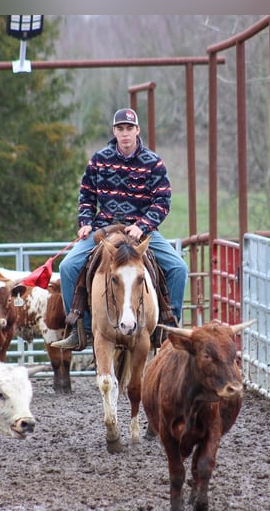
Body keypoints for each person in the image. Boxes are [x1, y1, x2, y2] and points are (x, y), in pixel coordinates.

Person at [52, 108, 188, 350]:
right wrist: (85, 223)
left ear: (137, 130)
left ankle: (169, 326)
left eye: (129, 128)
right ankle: (79, 328)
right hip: (104, 228)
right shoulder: (98, 160)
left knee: (178, 267)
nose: (125, 134)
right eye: (120, 129)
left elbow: (162, 201)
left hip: (141, 231)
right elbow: (86, 196)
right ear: (114, 132)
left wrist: (143, 225)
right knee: (67, 267)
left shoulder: (154, 163)